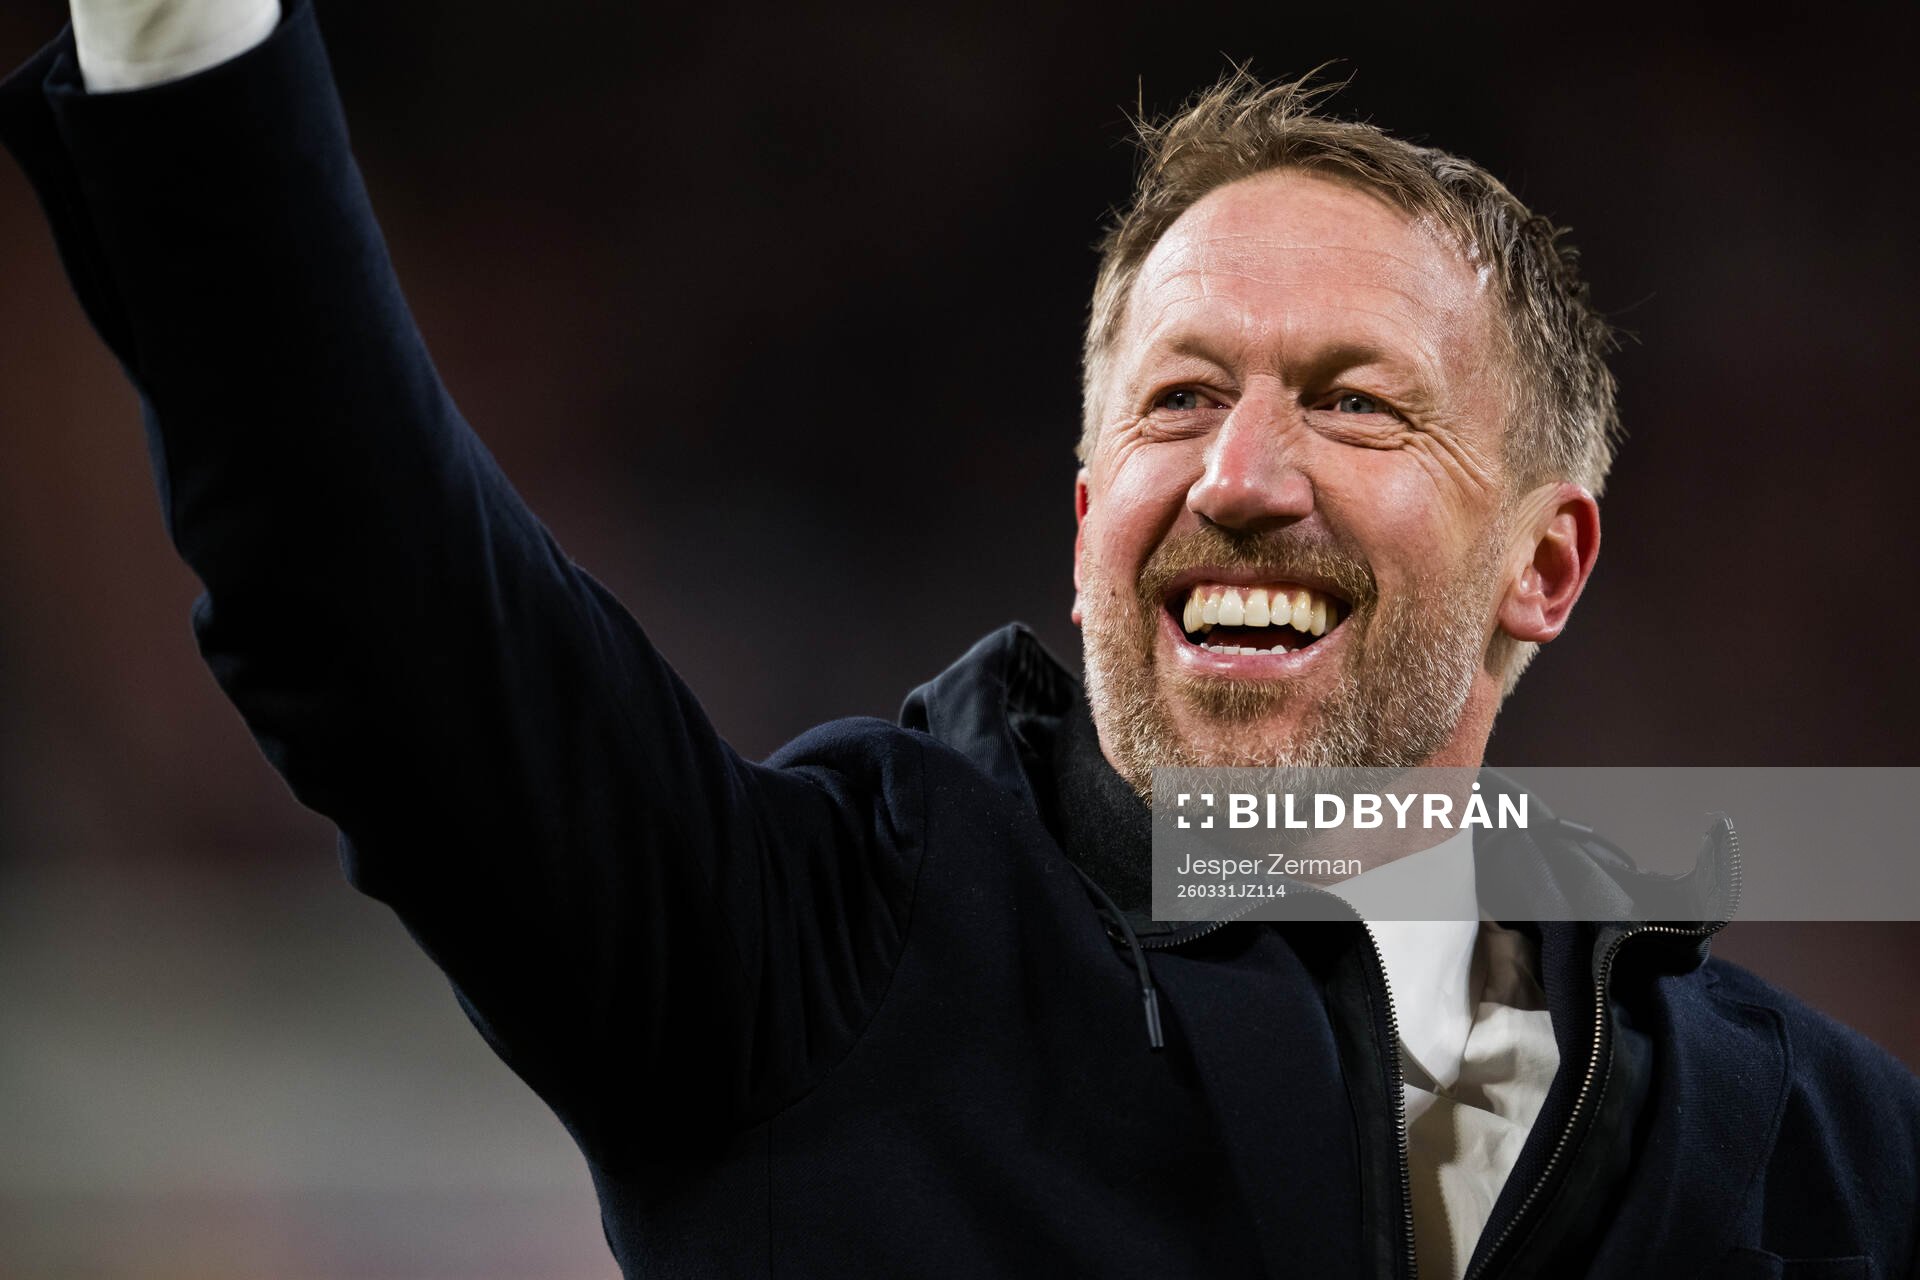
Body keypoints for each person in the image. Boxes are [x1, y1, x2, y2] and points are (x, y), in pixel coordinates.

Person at [3, 2, 1916, 1277]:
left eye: (1355, 401)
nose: (1241, 473)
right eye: (1175, 402)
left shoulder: (1820, 1147)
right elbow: (376, 593)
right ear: (1089, 522)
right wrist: (186, 35)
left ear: (1546, 566)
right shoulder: (828, 957)